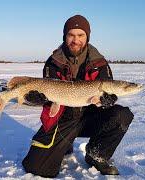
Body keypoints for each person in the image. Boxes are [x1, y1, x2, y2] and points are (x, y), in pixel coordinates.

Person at [21, 15, 134, 177]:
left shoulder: (100, 63)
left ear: (87, 37)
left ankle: (97, 155)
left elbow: (109, 89)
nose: (76, 40)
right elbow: (46, 93)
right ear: (65, 36)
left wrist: (108, 100)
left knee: (122, 115)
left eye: (80, 35)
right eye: (71, 35)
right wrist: (37, 99)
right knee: (37, 168)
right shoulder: (53, 62)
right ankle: (65, 143)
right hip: (64, 119)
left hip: (91, 117)